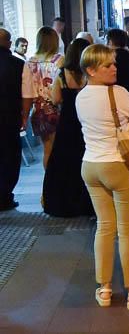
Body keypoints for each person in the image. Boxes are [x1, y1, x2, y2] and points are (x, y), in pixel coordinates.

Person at [75, 44, 129, 310]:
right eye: (107, 65)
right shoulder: (118, 94)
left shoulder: (81, 97)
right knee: (128, 231)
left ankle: (105, 289)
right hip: (120, 165)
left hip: (91, 166)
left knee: (104, 226)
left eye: (113, 63)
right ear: (90, 69)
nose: (114, 68)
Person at [43, 38, 94, 217]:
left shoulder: (63, 74)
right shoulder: (89, 74)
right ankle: (86, 203)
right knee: (84, 159)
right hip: (85, 121)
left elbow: (56, 99)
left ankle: (64, 202)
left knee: (63, 161)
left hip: (67, 122)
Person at [0, 29, 32, 211]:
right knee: (10, 156)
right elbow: (27, 95)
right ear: (9, 43)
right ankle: (5, 196)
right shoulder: (19, 64)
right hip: (9, 116)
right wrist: (24, 116)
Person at [27, 27, 64, 168]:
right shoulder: (59, 60)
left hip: (38, 110)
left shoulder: (30, 62)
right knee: (60, 150)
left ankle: (48, 182)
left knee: (47, 149)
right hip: (57, 108)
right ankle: (56, 182)